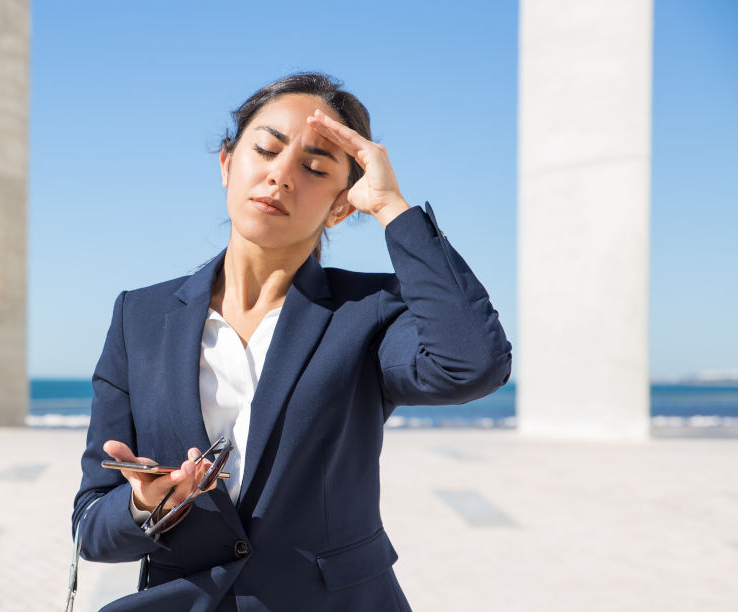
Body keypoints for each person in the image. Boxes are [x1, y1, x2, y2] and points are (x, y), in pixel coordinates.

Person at [71, 72, 512, 611]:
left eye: (315, 167)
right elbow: (92, 525)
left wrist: (392, 206)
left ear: (341, 206)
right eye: (266, 150)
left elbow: (473, 364)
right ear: (227, 164)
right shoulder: (138, 317)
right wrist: (145, 505)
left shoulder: (368, 311)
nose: (280, 176)